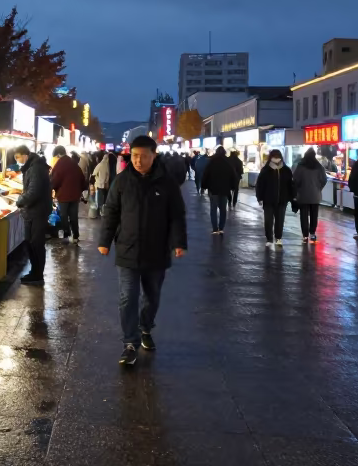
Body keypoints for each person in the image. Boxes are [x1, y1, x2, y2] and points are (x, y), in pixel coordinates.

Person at [98, 136, 187, 367]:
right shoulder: (122, 181)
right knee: (127, 297)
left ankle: (145, 326)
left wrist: (179, 242)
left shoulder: (167, 183)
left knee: (152, 297)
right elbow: (111, 212)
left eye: (143, 156)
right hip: (127, 249)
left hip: (157, 251)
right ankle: (129, 343)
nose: (138, 160)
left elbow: (177, 215)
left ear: (153, 155)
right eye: (134, 155)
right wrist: (104, 240)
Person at [14, 145, 52, 285]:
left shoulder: (35, 168)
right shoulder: (33, 166)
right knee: (30, 242)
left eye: (18, 157)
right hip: (33, 211)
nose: (17, 160)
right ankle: (35, 272)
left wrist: (20, 201)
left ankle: (37, 274)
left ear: (25, 155)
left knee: (36, 243)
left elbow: (34, 192)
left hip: (37, 211)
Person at [255, 149, 294, 248]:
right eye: (274, 156)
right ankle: (269, 238)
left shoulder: (286, 170)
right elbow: (259, 184)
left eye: (278, 156)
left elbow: (291, 185)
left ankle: (278, 237)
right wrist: (259, 197)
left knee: (280, 220)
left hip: (282, 200)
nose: (276, 158)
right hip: (268, 200)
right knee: (268, 220)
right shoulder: (266, 170)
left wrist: (292, 196)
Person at [51, 145, 86, 242]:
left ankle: (67, 233)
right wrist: (80, 190)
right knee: (74, 215)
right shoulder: (74, 164)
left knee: (64, 215)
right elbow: (82, 178)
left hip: (64, 196)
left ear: (58, 155)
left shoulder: (60, 164)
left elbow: (55, 180)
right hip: (75, 196)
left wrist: (52, 187)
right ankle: (75, 236)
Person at [201, 146, 239, 235]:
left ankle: (215, 229)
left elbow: (206, 174)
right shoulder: (228, 163)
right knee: (223, 209)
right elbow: (233, 176)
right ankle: (221, 228)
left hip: (213, 189)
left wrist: (204, 186)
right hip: (224, 190)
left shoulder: (211, 162)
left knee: (213, 209)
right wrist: (233, 187)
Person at [293, 148, 328, 243]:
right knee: (314, 215)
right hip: (315, 195)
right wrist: (318, 188)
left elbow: (295, 180)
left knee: (303, 215)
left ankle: (305, 235)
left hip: (303, 195)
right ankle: (312, 233)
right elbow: (324, 180)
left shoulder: (300, 166)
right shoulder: (319, 167)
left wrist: (298, 190)